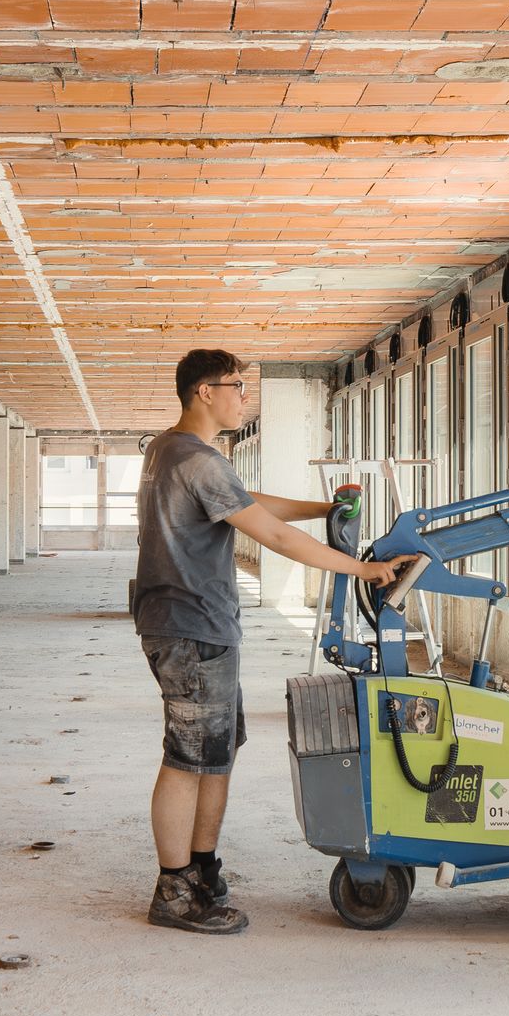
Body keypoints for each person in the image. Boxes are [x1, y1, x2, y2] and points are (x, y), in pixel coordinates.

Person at [134, 348, 408, 934]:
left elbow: (250, 506)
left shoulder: (171, 450)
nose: (243, 396)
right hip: (191, 626)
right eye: (235, 385)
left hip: (190, 622)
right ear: (205, 392)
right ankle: (173, 890)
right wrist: (359, 569)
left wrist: (324, 508)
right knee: (187, 759)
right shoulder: (197, 460)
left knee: (216, 752)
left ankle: (201, 871)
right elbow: (274, 536)